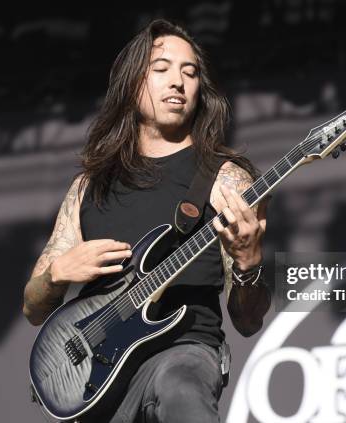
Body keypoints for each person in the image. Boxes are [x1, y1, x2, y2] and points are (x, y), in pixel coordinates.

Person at [22, 19, 271, 423]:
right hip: (99, 376)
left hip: (184, 350)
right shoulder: (89, 186)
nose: (178, 82)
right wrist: (57, 274)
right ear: (132, 83)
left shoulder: (226, 178)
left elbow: (248, 320)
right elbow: (33, 309)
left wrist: (248, 261)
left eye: (190, 73)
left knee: (181, 390)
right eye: (162, 69)